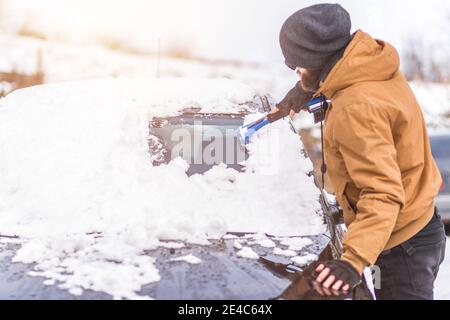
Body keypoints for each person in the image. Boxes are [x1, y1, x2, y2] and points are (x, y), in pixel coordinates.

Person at [276, 3, 446, 300]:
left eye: (296, 64)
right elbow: (345, 79)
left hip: (402, 246)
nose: (296, 69)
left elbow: (382, 192)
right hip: (418, 225)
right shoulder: (371, 67)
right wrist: (310, 86)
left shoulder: (355, 107)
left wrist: (352, 260)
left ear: (314, 58)